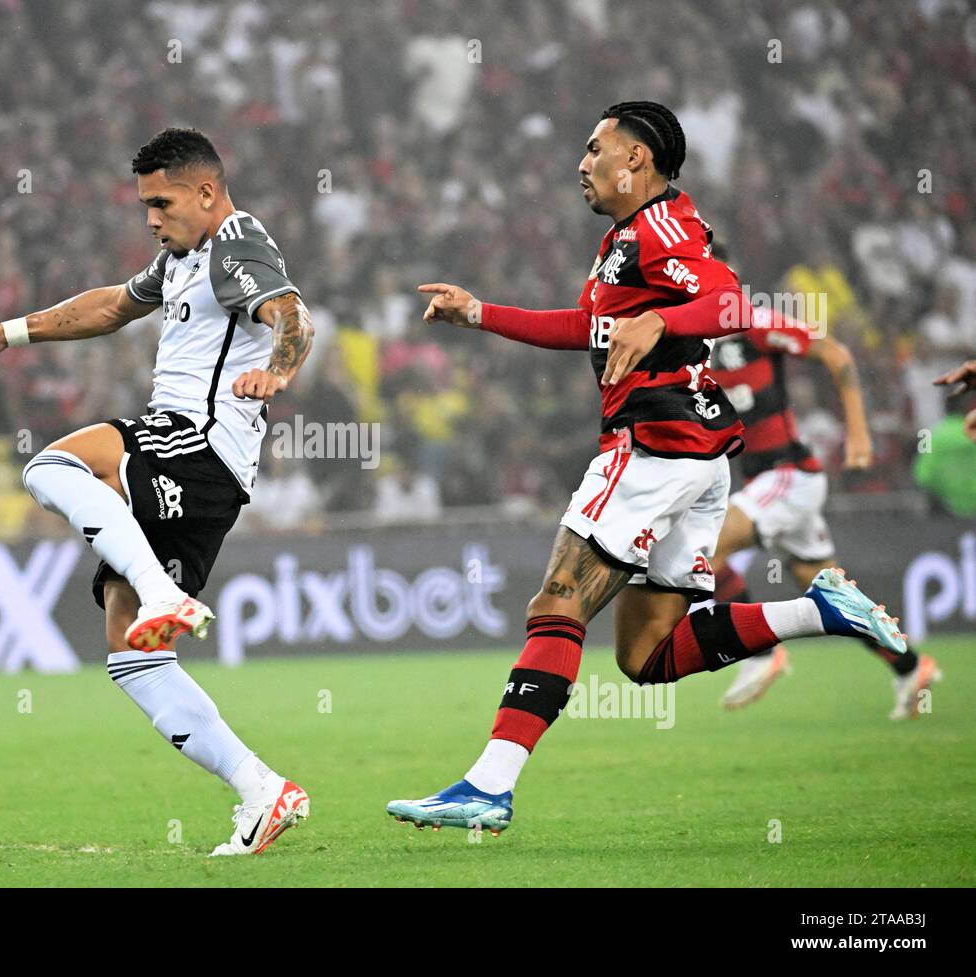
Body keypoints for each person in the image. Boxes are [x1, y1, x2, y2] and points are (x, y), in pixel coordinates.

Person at [387, 101, 907, 835]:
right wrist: (480, 313)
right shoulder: (624, 241)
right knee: (646, 656)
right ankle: (820, 609)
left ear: (637, 159)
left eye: (595, 147)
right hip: (700, 459)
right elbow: (585, 328)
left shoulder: (661, 225)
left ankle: (488, 784)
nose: (582, 162)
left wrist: (662, 320)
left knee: (560, 599)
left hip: (653, 445)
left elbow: (729, 304)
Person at [0, 128, 313, 856]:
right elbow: (111, 306)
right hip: (206, 472)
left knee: (51, 468)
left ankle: (165, 595)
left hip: (196, 444)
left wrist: (280, 368)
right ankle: (261, 789)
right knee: (129, 650)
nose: (151, 217)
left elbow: (291, 315)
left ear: (206, 192)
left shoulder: (236, 241)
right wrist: (9, 333)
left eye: (162, 201)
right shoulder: (180, 258)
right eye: (144, 203)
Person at [705, 244, 939, 718]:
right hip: (770, 483)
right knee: (830, 593)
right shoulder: (692, 342)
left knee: (705, 550)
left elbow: (835, 352)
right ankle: (911, 667)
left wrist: (857, 431)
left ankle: (762, 653)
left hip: (787, 475)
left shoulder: (753, 323)